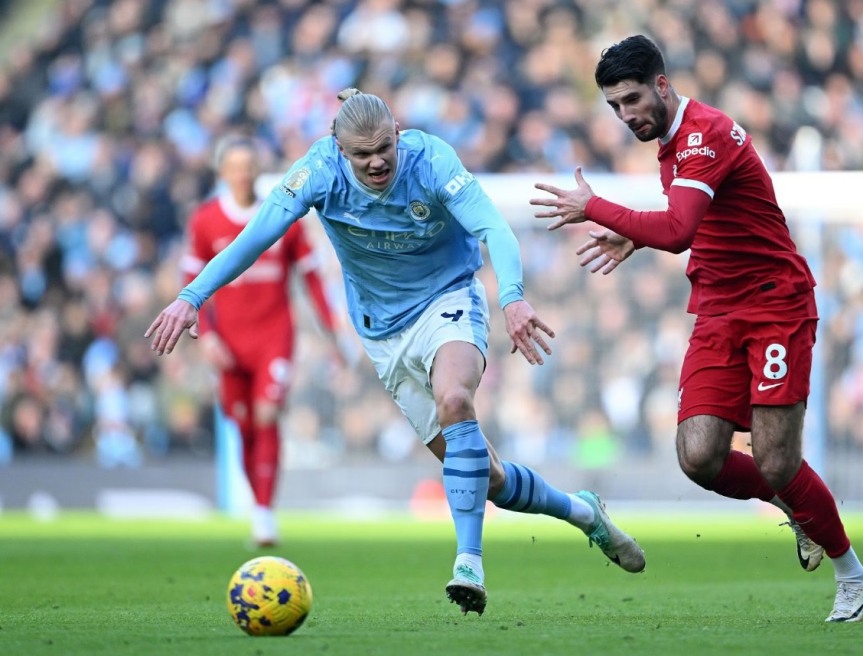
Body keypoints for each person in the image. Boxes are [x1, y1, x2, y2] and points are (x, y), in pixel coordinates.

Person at [147, 88, 645, 616]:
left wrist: (514, 299)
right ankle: (583, 513)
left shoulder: (431, 160)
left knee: (455, 398)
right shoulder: (317, 171)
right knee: (488, 479)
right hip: (382, 333)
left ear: (398, 135)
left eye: (384, 147)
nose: (377, 161)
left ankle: (469, 562)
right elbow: (255, 236)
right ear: (338, 149)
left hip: (448, 299)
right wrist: (190, 297)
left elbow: (494, 228)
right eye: (362, 155)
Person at [530, 35, 863, 622]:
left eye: (633, 99)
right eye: (614, 106)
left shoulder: (703, 134)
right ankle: (801, 506)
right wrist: (633, 233)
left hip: (774, 305)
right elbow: (697, 222)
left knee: (774, 459)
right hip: (718, 308)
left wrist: (596, 208)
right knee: (699, 457)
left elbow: (679, 231)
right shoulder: (673, 142)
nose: (626, 115)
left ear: (662, 84)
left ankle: (853, 574)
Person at [180, 135, 344, 548]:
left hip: (274, 334)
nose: (243, 173)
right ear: (222, 172)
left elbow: (310, 277)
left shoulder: (282, 212)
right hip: (229, 342)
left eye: (249, 165)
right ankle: (259, 506)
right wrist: (208, 336)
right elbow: (192, 282)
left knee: (268, 414)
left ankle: (265, 515)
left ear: (258, 169)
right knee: (245, 428)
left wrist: (332, 330)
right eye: (234, 166)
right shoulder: (205, 220)